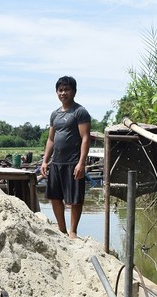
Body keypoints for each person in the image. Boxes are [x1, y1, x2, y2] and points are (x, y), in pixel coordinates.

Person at [40, 76, 91, 239]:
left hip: (73, 162)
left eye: (67, 89)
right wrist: (45, 160)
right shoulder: (54, 114)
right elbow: (51, 139)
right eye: (60, 90)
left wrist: (81, 163)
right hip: (56, 162)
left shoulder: (79, 112)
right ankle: (61, 229)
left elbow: (85, 138)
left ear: (74, 91)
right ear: (57, 92)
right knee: (55, 197)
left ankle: (73, 231)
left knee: (75, 199)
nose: (63, 93)